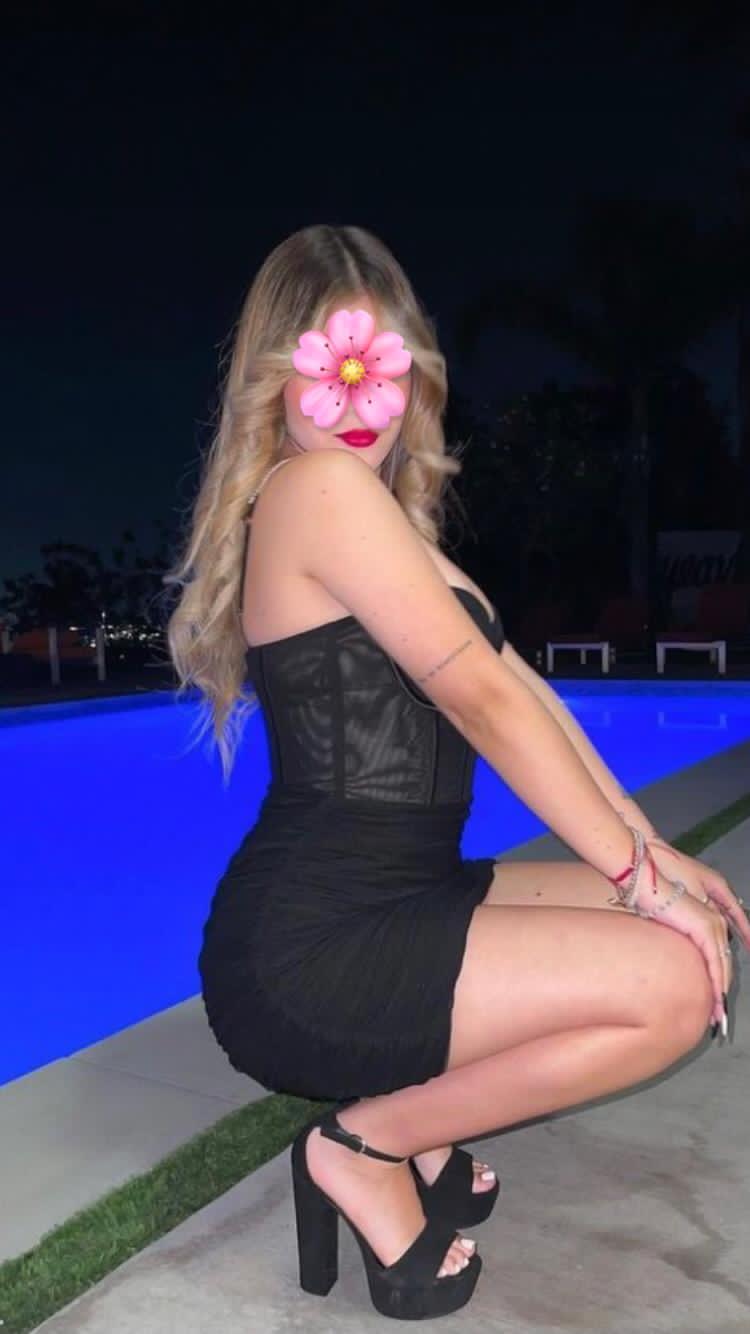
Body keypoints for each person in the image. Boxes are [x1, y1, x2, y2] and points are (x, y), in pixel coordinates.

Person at [165, 224, 747, 1321]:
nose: (360, 400)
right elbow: (480, 700)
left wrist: (652, 853)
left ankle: (410, 1107)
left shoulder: (378, 516)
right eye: (333, 368)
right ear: (275, 377)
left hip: (403, 895)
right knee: (672, 987)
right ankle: (366, 1143)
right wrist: (636, 874)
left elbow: (528, 692)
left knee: (674, 928)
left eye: (379, 369)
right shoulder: (316, 491)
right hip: (314, 946)